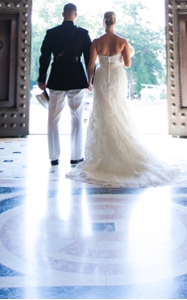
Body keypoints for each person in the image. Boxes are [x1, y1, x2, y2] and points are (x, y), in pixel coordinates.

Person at [67, 11, 180, 187]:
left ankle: (104, 153)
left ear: (103, 23)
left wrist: (89, 82)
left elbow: (90, 65)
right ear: (115, 22)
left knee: (103, 111)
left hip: (102, 76)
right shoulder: (123, 42)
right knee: (118, 109)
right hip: (117, 77)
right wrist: (123, 55)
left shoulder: (96, 42)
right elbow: (127, 64)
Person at [38, 3, 92, 167]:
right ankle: (76, 156)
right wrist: (91, 81)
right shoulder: (83, 34)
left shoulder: (51, 33)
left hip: (57, 77)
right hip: (76, 76)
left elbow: (44, 57)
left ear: (63, 14)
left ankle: (54, 156)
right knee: (76, 118)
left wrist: (42, 78)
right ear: (75, 15)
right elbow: (90, 59)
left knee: (53, 118)